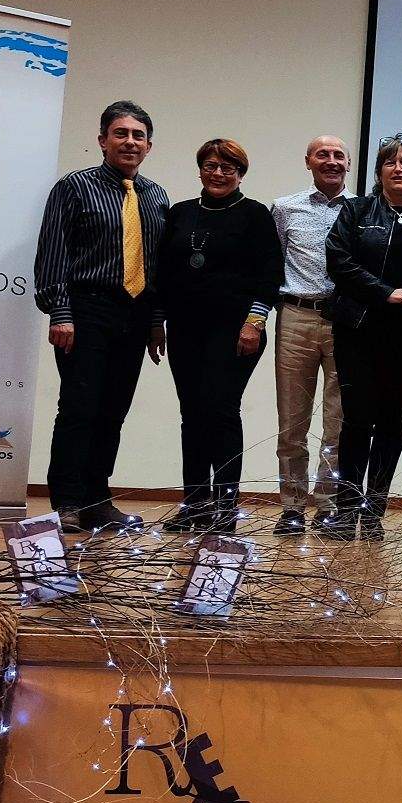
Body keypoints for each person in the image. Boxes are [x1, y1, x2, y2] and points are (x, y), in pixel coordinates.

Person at [33, 101, 169, 533]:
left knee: (114, 410)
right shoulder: (74, 187)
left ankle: (97, 500)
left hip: (135, 313)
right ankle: (67, 502)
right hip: (85, 310)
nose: (130, 142)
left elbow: (157, 266)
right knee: (79, 407)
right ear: (102, 140)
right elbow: (53, 253)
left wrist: (154, 322)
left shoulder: (155, 195)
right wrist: (61, 312)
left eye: (138, 136)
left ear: (148, 146)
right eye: (121, 133)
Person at [156, 139, 284, 533]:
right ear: (199, 169)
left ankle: (225, 506)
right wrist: (156, 322)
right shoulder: (179, 213)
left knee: (221, 410)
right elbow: (164, 273)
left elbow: (270, 276)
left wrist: (254, 323)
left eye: (228, 167)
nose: (218, 173)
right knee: (191, 414)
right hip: (184, 329)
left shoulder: (255, 215)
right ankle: (194, 503)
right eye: (211, 165)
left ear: (240, 173)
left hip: (237, 331)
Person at [320, 134, 402, 542]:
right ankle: (347, 510)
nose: (398, 168)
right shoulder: (356, 210)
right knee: (356, 420)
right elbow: (338, 262)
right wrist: (386, 292)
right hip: (358, 330)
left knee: (390, 425)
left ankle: (375, 511)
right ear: (379, 171)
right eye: (390, 162)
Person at [270, 135, 352, 535]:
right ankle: (291, 508)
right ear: (308, 162)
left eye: (339, 156)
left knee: (336, 422)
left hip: (344, 323)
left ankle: (327, 506)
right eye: (323, 155)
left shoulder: (360, 209)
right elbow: (272, 266)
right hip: (296, 317)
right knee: (292, 421)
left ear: (349, 164)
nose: (331, 161)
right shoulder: (285, 209)